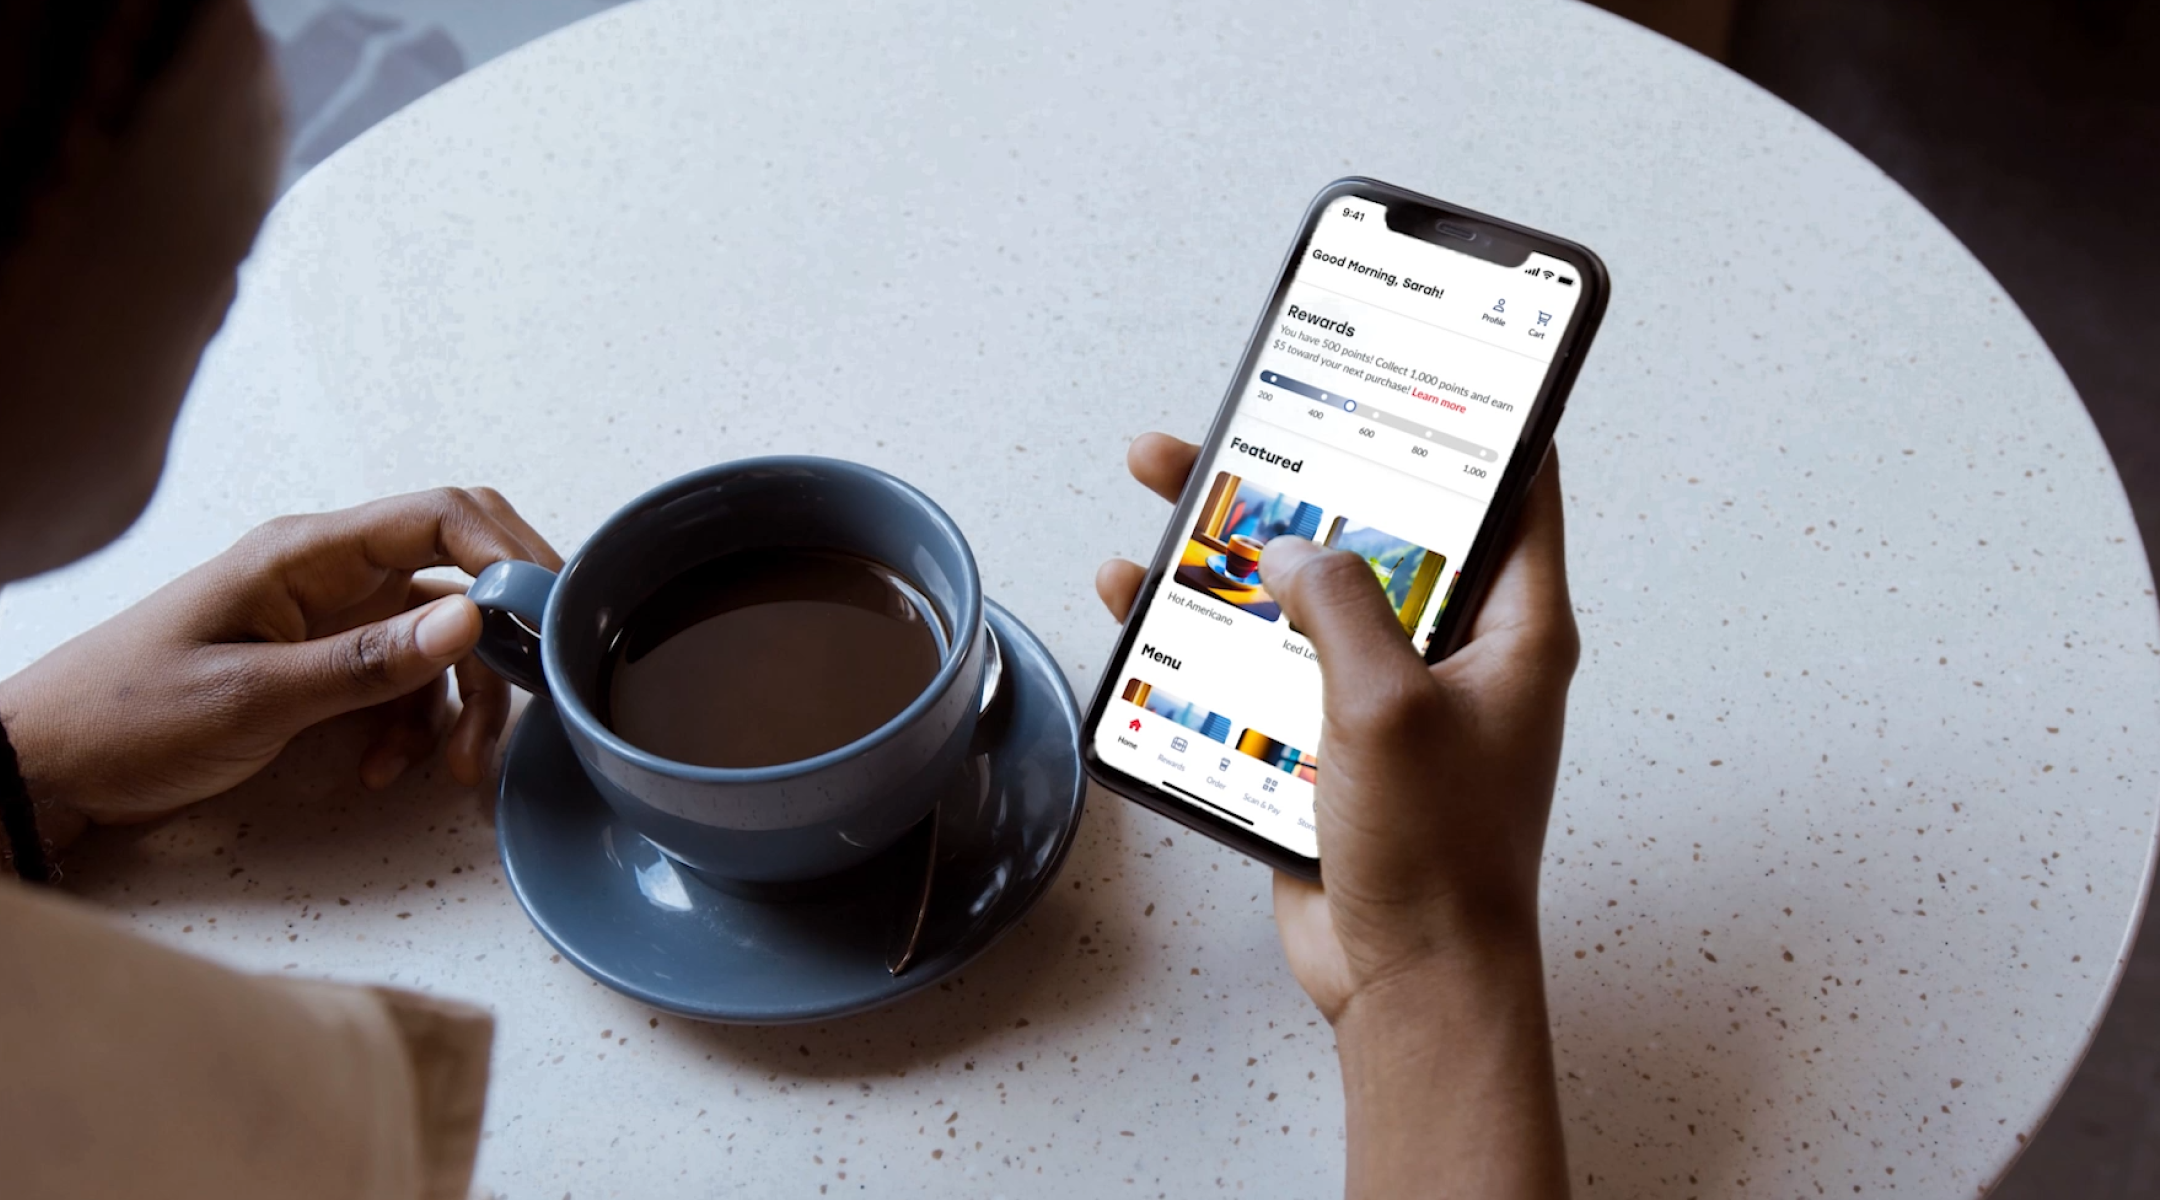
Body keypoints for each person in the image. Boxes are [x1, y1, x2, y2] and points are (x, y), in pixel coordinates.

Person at [0, 2, 1580, 1197]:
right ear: (56, 178)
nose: (279, 68)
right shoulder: (166, 1103)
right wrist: (1433, 972)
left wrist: (27, 766)